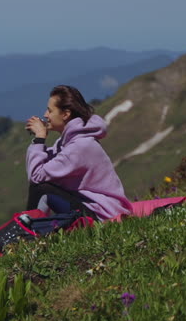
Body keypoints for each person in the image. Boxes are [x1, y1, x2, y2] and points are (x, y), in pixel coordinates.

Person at [23, 84, 133, 220]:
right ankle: (30, 227)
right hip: (94, 208)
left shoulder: (79, 147)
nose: (45, 115)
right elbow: (43, 167)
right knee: (43, 187)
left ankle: (27, 231)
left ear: (65, 114)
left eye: (50, 111)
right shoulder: (69, 141)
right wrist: (38, 142)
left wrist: (40, 138)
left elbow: (36, 176)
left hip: (102, 215)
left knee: (41, 189)